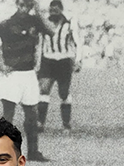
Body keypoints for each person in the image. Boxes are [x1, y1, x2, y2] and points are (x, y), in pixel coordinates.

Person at [0, 0, 53, 161]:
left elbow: (52, 32)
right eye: (22, 4)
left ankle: (33, 151)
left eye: (28, 5)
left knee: (32, 115)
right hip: (11, 75)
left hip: (28, 73)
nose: (24, 8)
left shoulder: (35, 21)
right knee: (8, 115)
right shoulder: (6, 24)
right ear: (17, 4)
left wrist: (38, 11)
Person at [37, 0, 82, 131]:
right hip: (48, 59)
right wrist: (38, 63)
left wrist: (78, 60)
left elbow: (77, 42)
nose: (53, 12)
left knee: (63, 93)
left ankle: (66, 123)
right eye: (51, 10)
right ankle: (40, 123)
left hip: (64, 60)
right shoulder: (45, 23)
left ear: (61, 10)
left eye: (56, 10)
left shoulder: (69, 23)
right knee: (44, 89)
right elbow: (40, 43)